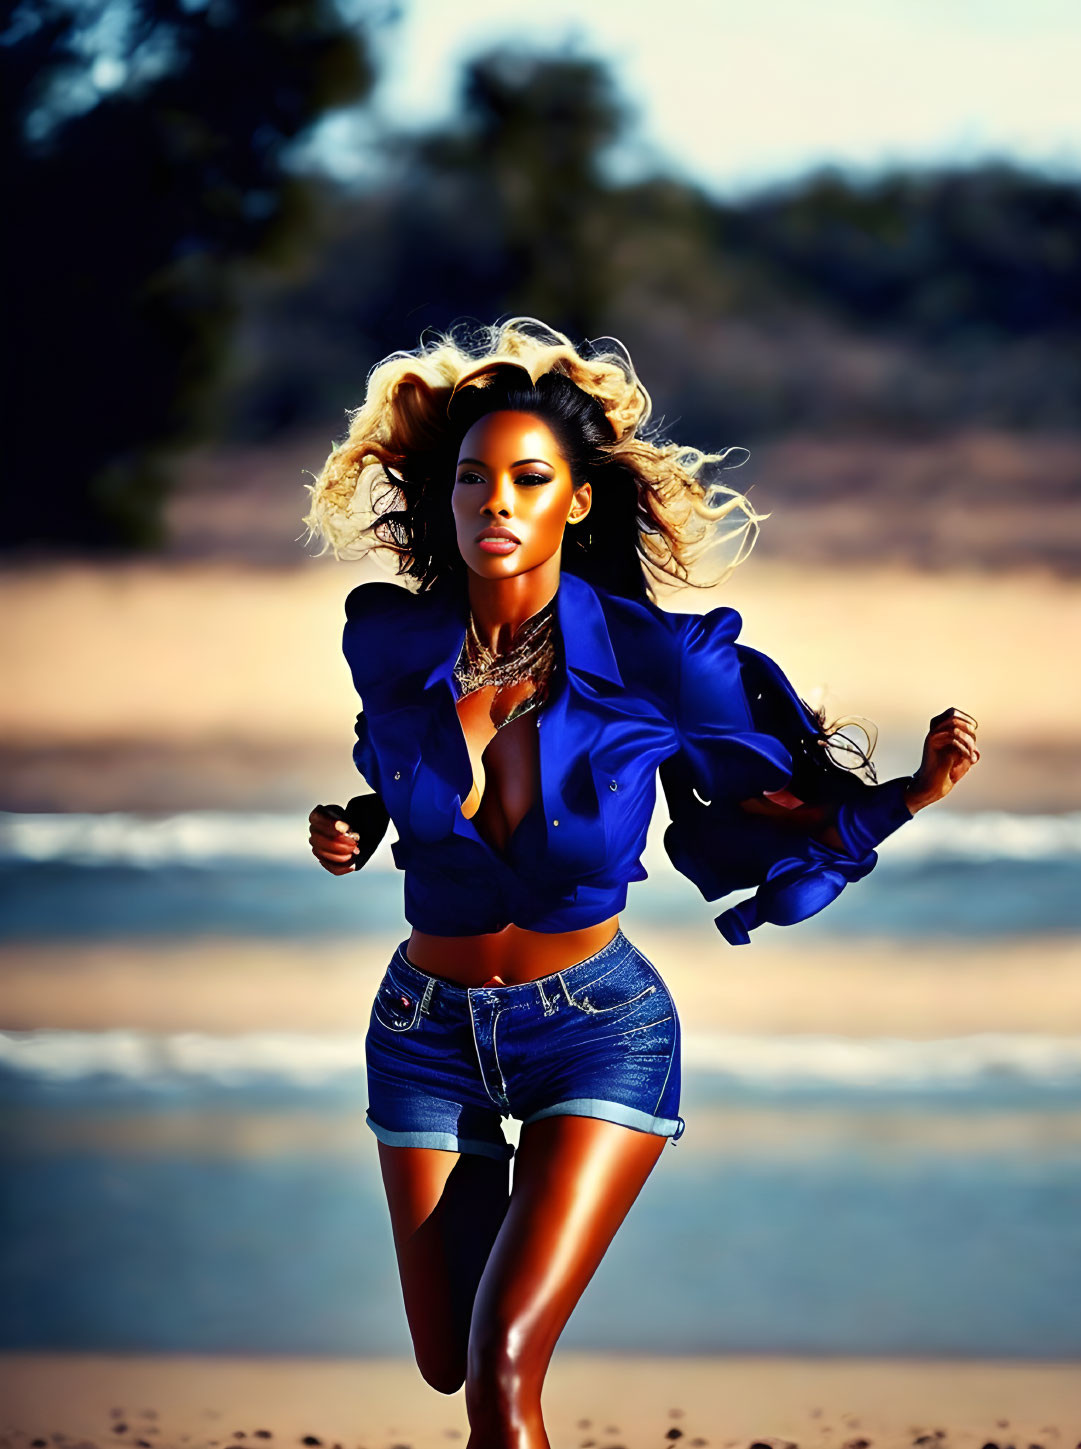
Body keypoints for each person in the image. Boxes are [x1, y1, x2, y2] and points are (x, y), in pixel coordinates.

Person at [300, 317, 978, 1448]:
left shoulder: (659, 661)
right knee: (445, 1355)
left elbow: (780, 808)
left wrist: (906, 793)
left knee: (502, 1370)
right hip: (422, 1027)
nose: (495, 504)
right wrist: (360, 820)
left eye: (528, 480)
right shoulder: (390, 640)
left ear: (574, 500)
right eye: (473, 479)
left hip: (595, 1029)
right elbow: (399, 768)